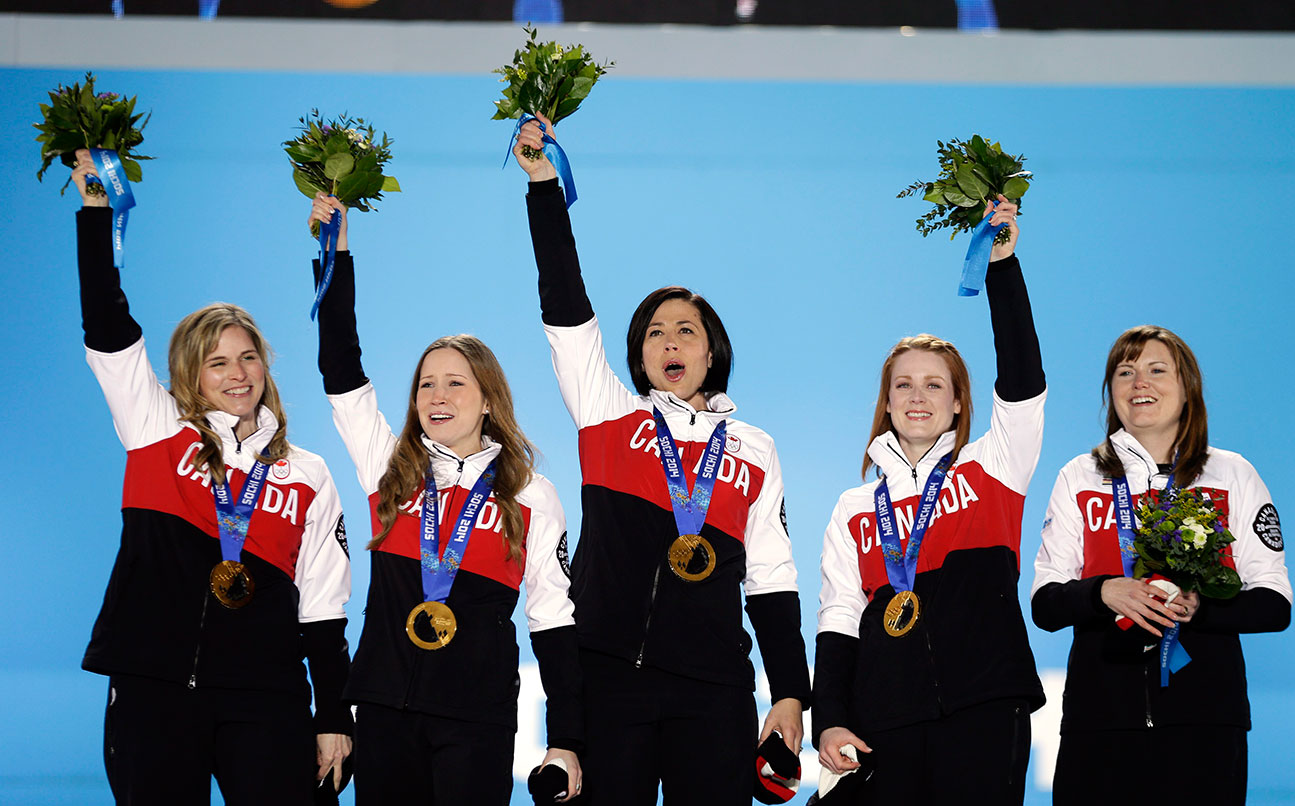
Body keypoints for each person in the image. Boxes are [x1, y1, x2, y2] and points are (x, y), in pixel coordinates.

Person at [514, 115, 811, 805]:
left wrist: (791, 692)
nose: (670, 342)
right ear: (639, 355)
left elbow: (771, 577)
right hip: (607, 676)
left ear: (712, 351)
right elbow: (566, 312)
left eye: (686, 330)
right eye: (654, 332)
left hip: (713, 689)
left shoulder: (754, 448)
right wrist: (543, 187)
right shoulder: (608, 415)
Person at [71, 150, 354, 804]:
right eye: (217, 362)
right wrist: (95, 214)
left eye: (248, 358)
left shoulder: (307, 473)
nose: (237, 374)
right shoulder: (156, 427)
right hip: (153, 689)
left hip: (266, 697)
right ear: (189, 375)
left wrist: (334, 714)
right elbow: (108, 329)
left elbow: (323, 606)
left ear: (265, 366)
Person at [307, 195, 582, 804]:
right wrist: (332, 253)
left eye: (456, 383)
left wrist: (566, 738)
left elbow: (554, 618)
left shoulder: (531, 495)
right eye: (426, 384)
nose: (438, 395)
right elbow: (341, 370)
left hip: (475, 719)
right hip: (384, 711)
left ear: (488, 400)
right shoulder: (391, 470)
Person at [811, 199, 1045, 804]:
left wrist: (1002, 267)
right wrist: (829, 718)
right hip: (885, 721)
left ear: (959, 402)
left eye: (934, 384)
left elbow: (1023, 382)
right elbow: (840, 618)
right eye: (904, 385)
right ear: (887, 403)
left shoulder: (994, 466)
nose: (918, 397)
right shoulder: (854, 507)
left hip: (985, 709)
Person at [1031, 325, 1292, 805]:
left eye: (1156, 370)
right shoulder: (1080, 475)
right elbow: (1045, 605)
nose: (1139, 383)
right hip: (1099, 723)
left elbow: (1275, 605)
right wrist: (1102, 592)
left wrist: (1201, 606)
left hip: (1205, 725)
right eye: (1125, 372)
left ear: (1187, 388)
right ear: (1111, 391)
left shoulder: (1232, 473)